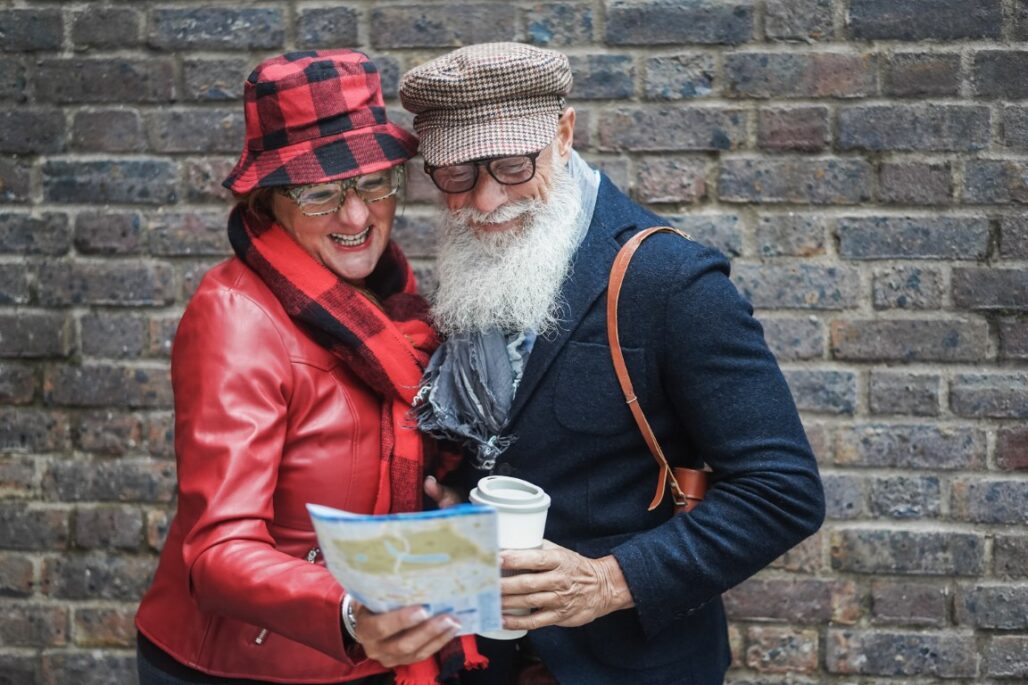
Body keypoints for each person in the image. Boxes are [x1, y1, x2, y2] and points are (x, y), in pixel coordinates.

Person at [401, 43, 826, 685]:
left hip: (631, 664)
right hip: (481, 661)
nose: (485, 202)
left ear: (564, 135)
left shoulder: (672, 280)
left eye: (513, 166)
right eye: (457, 176)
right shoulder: (473, 269)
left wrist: (605, 582)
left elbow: (784, 491)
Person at [134, 50, 485, 685]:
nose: (356, 217)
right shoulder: (235, 317)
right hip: (251, 665)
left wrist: (446, 500)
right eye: (320, 193)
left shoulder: (392, 303)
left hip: (375, 646)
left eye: (375, 183)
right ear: (269, 204)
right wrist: (349, 611)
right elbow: (217, 551)